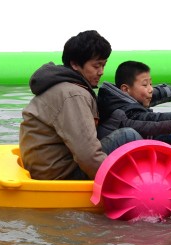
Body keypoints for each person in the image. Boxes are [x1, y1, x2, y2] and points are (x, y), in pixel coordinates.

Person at [19, 31, 143, 180]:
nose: (101, 72)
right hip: (59, 173)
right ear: (75, 64)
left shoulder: (62, 86)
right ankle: (146, 182)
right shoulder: (73, 94)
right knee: (128, 135)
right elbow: (87, 155)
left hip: (47, 166)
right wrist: (118, 183)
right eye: (96, 66)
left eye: (104, 65)